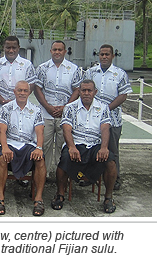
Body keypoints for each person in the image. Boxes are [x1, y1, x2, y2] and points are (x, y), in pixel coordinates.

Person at [51, 79, 118, 213]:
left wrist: (104, 147)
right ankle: (60, 194)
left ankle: (108, 197)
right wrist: (71, 147)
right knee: (63, 161)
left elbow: (105, 128)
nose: (86, 93)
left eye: (89, 90)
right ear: (79, 92)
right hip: (77, 143)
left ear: (95, 92)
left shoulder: (103, 107)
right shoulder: (70, 107)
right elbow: (66, 129)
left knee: (111, 162)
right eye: (83, 90)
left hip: (95, 144)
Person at [0, 35, 36, 185]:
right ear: (4, 48)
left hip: (19, 110)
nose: (11, 50)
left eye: (14, 47)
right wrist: (2, 101)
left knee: (17, 142)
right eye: (8, 47)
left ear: (19, 48)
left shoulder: (27, 65)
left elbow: (31, 85)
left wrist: (17, 101)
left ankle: (19, 174)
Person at [84, 44, 132, 190]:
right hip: (92, 120)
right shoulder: (90, 73)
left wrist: (105, 109)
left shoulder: (120, 74)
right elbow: (84, 92)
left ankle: (114, 178)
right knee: (91, 148)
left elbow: (123, 95)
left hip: (113, 120)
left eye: (107, 54)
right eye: (102, 54)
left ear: (113, 56)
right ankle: (90, 176)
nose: (104, 57)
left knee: (112, 150)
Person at [0, 81, 46, 216]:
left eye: (25, 91)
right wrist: (4, 147)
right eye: (19, 90)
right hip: (10, 143)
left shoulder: (36, 110)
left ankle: (38, 199)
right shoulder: (5, 109)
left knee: (40, 160)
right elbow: (2, 131)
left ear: (29, 92)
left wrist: (39, 147)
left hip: (29, 144)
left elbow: (40, 132)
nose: (22, 93)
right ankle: (0, 198)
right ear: (14, 92)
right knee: (1, 159)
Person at [34, 40, 83, 177]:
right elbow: (37, 89)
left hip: (65, 116)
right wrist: (47, 107)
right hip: (46, 114)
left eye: (60, 50)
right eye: (54, 49)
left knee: (63, 145)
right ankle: (45, 173)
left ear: (65, 52)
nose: (57, 52)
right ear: (50, 51)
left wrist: (65, 108)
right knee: (45, 145)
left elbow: (77, 90)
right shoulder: (42, 68)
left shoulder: (73, 69)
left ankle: (60, 173)